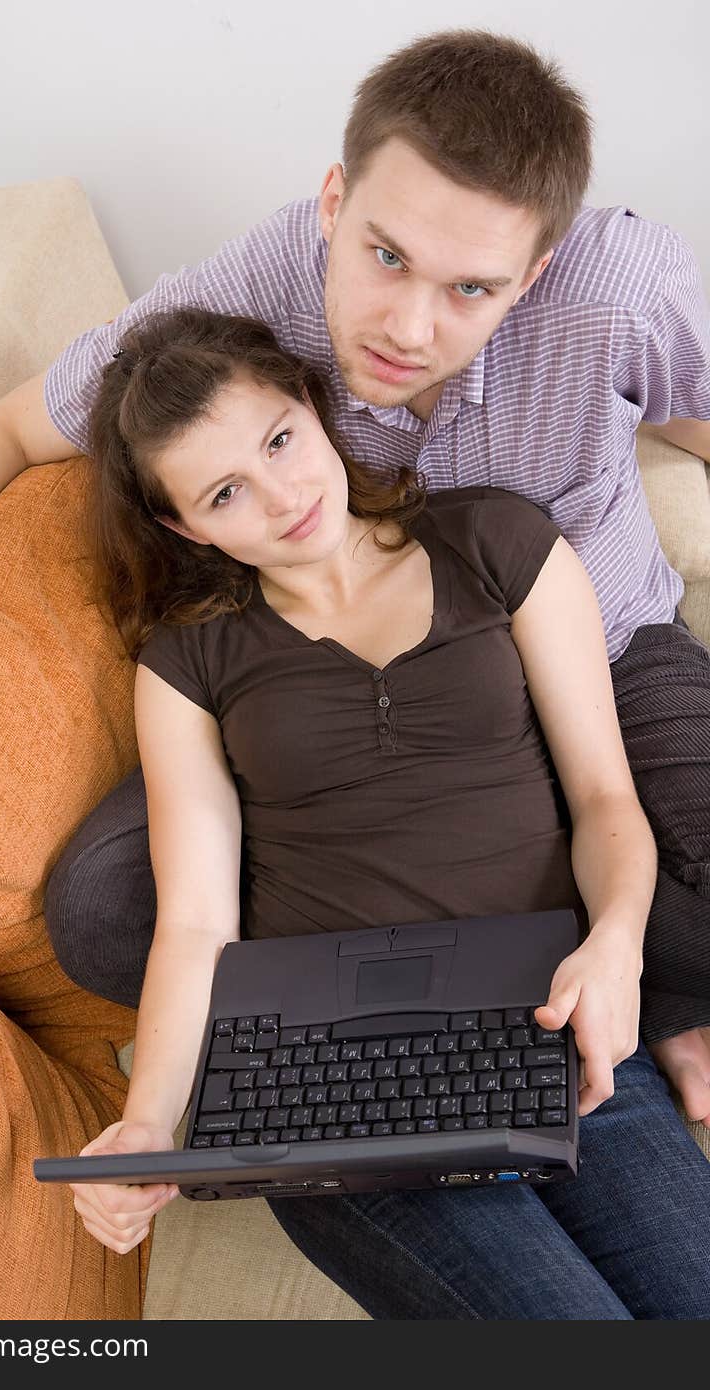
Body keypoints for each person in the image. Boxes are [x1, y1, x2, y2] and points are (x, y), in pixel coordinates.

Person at [0, 31, 708, 1118]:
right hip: (346, 680)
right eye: (385, 255)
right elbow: (7, 431)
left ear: (534, 274)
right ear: (334, 199)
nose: (407, 326)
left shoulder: (619, 290)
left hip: (607, 641)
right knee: (100, 909)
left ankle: (648, 999)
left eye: (470, 288)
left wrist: (643, 398)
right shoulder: (254, 289)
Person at [66, 304, 710, 1320]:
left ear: (315, 411)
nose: (281, 497)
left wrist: (617, 948)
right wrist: (150, 1117)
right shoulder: (186, 662)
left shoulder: (497, 540)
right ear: (185, 526)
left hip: (551, 1023)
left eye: (279, 441)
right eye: (226, 492)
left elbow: (602, 798)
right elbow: (194, 923)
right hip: (325, 1089)